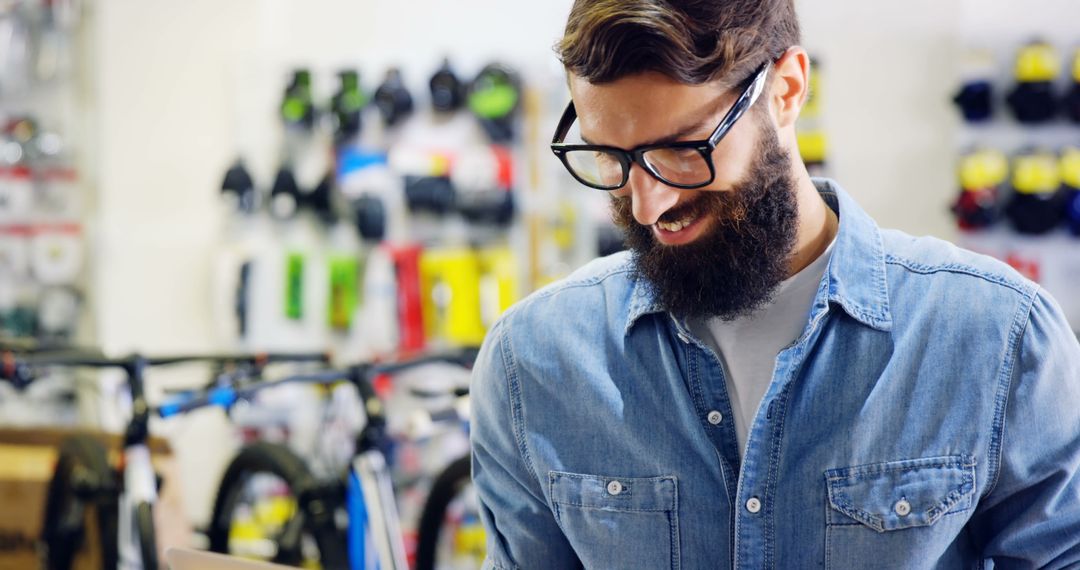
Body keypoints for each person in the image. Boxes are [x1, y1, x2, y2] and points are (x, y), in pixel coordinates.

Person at [469, 0, 1080, 567]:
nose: (649, 204)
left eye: (682, 150)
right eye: (611, 157)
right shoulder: (532, 362)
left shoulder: (999, 337)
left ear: (786, 90)